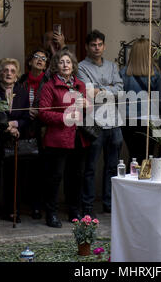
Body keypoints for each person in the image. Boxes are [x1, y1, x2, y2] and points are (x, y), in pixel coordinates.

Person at [38, 49, 90, 228]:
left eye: (68, 62)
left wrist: (87, 105)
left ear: (73, 65)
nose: (65, 65)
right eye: (61, 62)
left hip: (78, 137)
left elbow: (88, 112)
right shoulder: (49, 87)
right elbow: (43, 114)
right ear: (55, 66)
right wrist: (63, 118)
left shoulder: (80, 85)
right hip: (57, 138)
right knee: (55, 177)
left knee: (76, 176)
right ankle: (51, 213)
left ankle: (74, 211)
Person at [77, 29, 124, 216]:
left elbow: (120, 89)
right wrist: (108, 89)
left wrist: (100, 89)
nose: (96, 48)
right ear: (87, 47)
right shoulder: (81, 67)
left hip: (114, 123)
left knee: (112, 167)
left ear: (104, 46)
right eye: (93, 45)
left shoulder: (113, 66)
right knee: (90, 168)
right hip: (94, 124)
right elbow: (88, 91)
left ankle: (109, 203)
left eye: (99, 45)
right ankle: (87, 206)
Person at [0, 58, 30, 225]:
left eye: (12, 71)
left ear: (17, 75)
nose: (9, 73)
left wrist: (16, 125)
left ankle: (12, 210)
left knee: (14, 177)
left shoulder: (22, 92)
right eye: (5, 70)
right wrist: (6, 127)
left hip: (15, 141)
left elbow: (27, 118)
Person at [120, 38, 161, 167]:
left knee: (133, 156)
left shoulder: (123, 73)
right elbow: (159, 100)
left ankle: (129, 184)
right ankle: (145, 185)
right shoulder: (154, 74)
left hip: (128, 119)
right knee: (146, 158)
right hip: (149, 119)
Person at [18, 49, 50, 220]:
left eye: (43, 59)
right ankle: (20, 206)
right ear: (30, 62)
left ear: (46, 65)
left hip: (42, 130)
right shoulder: (21, 81)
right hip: (22, 129)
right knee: (22, 170)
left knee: (39, 172)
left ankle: (37, 207)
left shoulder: (48, 81)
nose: (40, 60)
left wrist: (39, 113)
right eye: (36, 57)